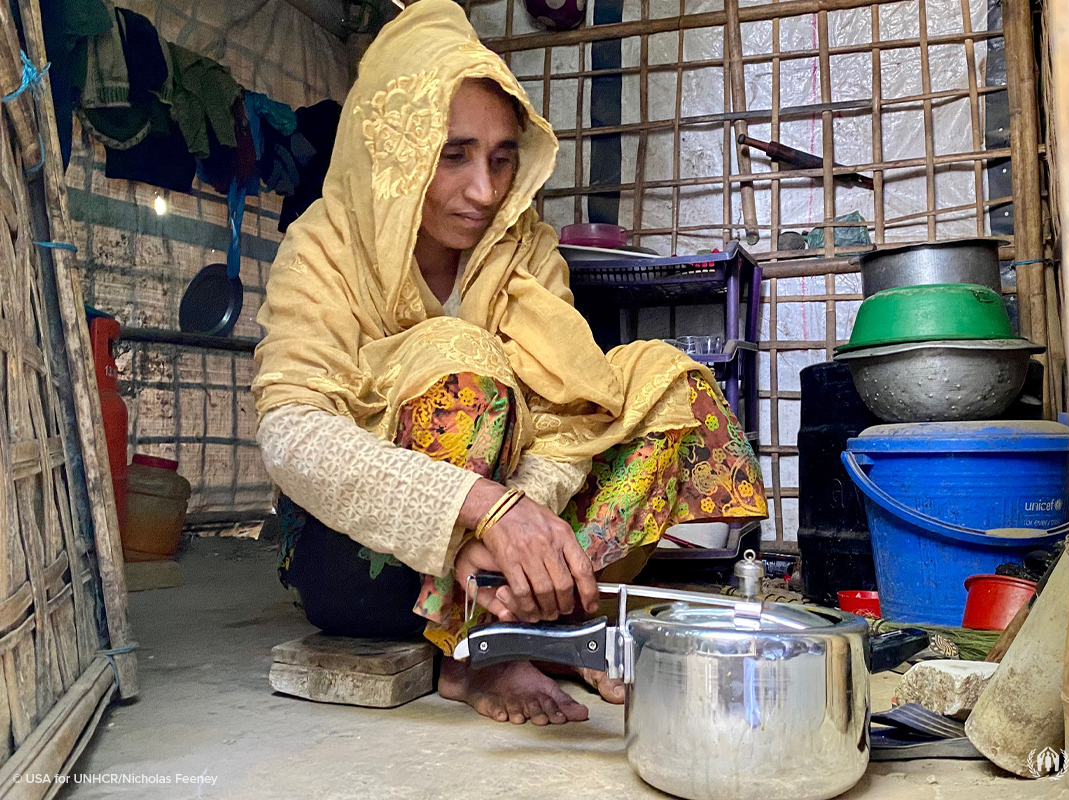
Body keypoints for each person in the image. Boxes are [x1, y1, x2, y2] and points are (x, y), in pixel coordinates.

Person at [252, 0, 767, 727]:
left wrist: (512, 534)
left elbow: (568, 421)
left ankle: (525, 620)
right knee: (462, 360)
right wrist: (481, 512)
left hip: (495, 560)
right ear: (397, 150)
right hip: (363, 569)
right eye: (453, 154)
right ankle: (480, 654)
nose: (484, 191)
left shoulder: (523, 248)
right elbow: (293, 433)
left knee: (668, 385)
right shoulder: (326, 248)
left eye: (500, 159)